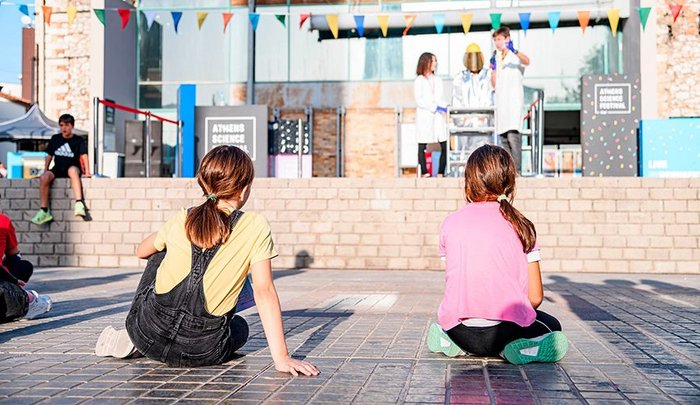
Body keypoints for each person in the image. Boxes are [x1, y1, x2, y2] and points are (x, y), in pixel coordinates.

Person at [95, 145, 319, 376]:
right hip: (202, 352)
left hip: (146, 334)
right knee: (239, 328)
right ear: (243, 190)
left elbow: (141, 251)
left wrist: (167, 238)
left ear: (205, 183)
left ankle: (132, 340)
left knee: (158, 252)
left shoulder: (183, 218)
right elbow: (264, 290)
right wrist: (281, 358)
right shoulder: (255, 226)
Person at [427, 145, 567, 365]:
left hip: (459, 330)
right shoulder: (522, 226)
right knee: (552, 326)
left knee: (458, 324)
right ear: (509, 182)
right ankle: (510, 350)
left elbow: (456, 283)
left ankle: (456, 345)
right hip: (505, 331)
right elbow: (535, 298)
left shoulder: (449, 223)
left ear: (469, 181)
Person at [31, 114, 91, 225]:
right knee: (44, 177)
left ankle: (79, 203)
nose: (64, 128)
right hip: (58, 168)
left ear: (72, 126)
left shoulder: (78, 140)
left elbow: (84, 156)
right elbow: (49, 156)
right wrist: (45, 170)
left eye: (67, 125)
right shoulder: (55, 139)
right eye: (62, 125)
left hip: (73, 166)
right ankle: (44, 211)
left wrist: (87, 172)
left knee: (72, 171)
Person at [490, 27, 530, 173]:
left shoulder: (515, 57)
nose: (497, 43)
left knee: (513, 136)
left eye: (499, 39)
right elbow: (494, 84)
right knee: (504, 139)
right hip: (501, 103)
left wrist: (515, 51)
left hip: (513, 102)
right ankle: (508, 172)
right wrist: (493, 68)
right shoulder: (497, 57)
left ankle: (517, 171)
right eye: (495, 40)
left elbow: (527, 61)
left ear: (507, 39)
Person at [1, 212, 52, 322]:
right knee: (22, 266)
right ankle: (27, 302)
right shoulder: (3, 221)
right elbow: (13, 253)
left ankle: (23, 300)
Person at [414, 52, 448, 177]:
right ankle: (424, 171)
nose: (435, 64)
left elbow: (441, 97)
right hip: (425, 115)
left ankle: (440, 171)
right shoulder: (419, 80)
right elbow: (419, 100)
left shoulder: (438, 80)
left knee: (444, 142)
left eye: (435, 61)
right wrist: (434, 107)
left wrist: (445, 107)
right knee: (422, 143)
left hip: (438, 116)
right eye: (433, 61)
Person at [452, 43, 493, 109]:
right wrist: (462, 116)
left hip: (485, 116)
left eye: (476, 57)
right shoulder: (460, 78)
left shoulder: (488, 75)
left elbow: (491, 97)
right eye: (471, 58)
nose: (474, 62)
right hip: (466, 116)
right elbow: (457, 98)